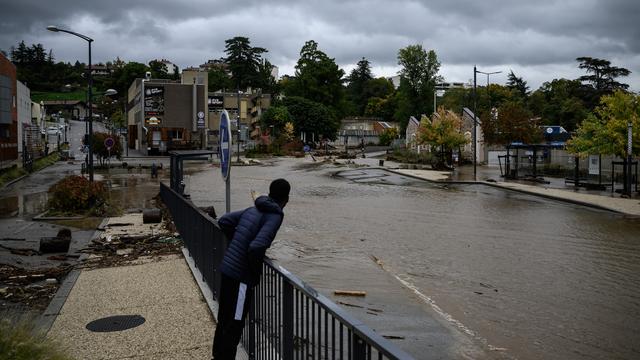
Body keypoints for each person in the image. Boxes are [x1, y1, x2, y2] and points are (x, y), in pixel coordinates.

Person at [212, 178, 291, 360]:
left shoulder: (254, 208)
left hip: (227, 269)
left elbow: (224, 221)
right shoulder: (276, 216)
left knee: (224, 318)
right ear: (286, 199)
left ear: (269, 193)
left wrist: (238, 243)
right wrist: (254, 274)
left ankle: (217, 356)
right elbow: (256, 247)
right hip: (241, 277)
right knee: (236, 323)